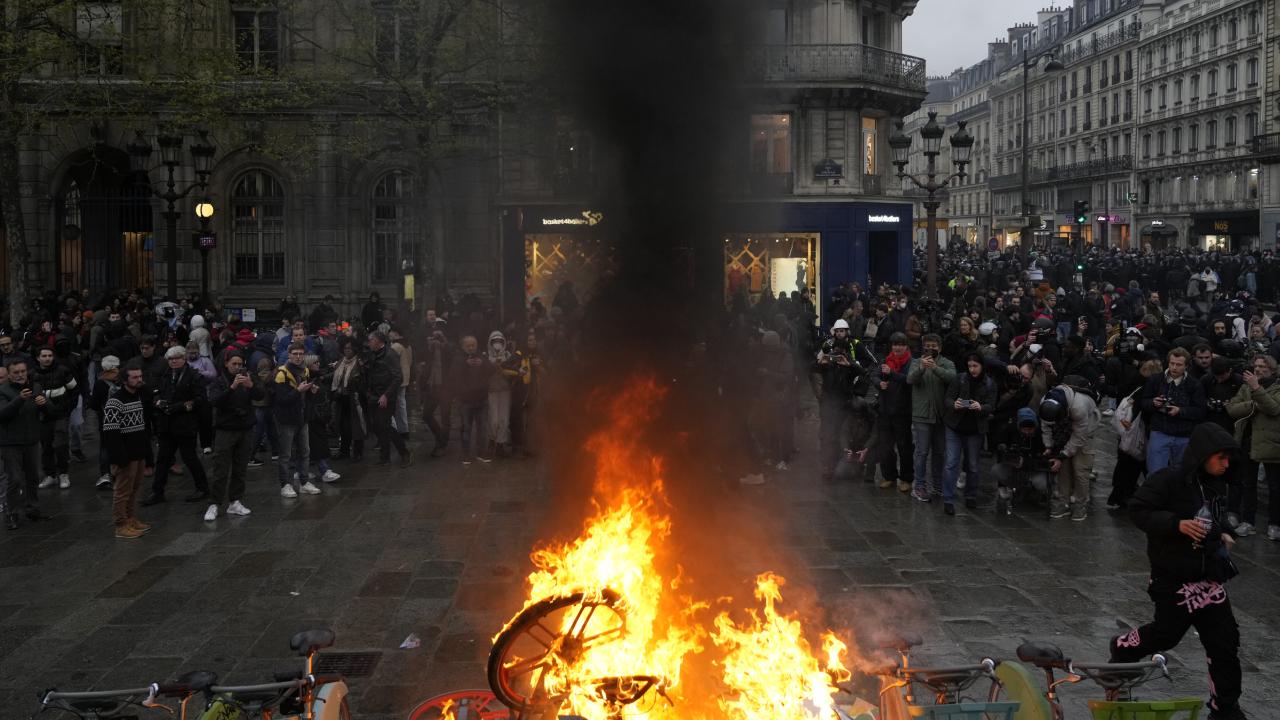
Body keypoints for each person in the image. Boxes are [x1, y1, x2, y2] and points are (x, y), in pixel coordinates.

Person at [1110, 423, 1246, 720]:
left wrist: (1222, 532)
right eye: (1220, 458)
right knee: (1165, 636)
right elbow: (1139, 510)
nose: (1225, 465)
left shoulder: (1215, 483)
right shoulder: (1168, 479)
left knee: (1225, 645)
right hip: (1172, 578)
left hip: (1209, 579)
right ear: (1203, 455)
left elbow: (1211, 517)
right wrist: (1177, 524)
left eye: (1228, 460)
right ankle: (1123, 646)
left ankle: (1225, 709)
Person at [141, 346, 211, 506]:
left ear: (184, 358)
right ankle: (157, 492)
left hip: (185, 423)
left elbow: (200, 399)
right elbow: (155, 392)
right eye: (171, 359)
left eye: (177, 358)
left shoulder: (193, 375)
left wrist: (179, 406)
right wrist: (158, 401)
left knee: (190, 457)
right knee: (163, 459)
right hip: (166, 424)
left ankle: (203, 488)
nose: (173, 361)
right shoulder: (165, 374)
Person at [1224, 354, 1280, 541]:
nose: (1257, 369)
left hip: (1272, 443)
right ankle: (1248, 521)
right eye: (1256, 365)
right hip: (1247, 441)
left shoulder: (1277, 387)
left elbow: (1274, 408)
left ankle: (1275, 524)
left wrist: (1257, 388)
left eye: (1262, 366)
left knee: (1275, 486)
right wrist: (1254, 404)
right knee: (1248, 483)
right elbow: (1232, 408)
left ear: (1271, 369)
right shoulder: (1246, 386)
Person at [812, 318, 875, 482]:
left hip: (845, 400)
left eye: (842, 331)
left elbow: (867, 369)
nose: (840, 334)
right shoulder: (827, 348)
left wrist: (851, 365)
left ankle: (849, 462)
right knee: (827, 434)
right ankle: (828, 465)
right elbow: (812, 369)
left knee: (845, 432)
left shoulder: (855, 348)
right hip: (829, 401)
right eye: (837, 331)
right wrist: (821, 363)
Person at [204, 349, 261, 522]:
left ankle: (235, 501)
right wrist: (232, 387)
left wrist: (251, 386)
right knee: (220, 468)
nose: (237, 367)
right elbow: (215, 401)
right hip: (226, 430)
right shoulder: (218, 382)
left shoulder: (248, 378)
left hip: (245, 428)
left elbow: (261, 395)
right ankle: (214, 503)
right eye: (234, 364)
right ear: (226, 363)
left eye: (239, 364)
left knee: (240, 468)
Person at [102, 361, 152, 539]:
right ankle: (120, 524)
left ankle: (131, 519)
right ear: (125, 380)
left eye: (140, 376)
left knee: (135, 488)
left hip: (138, 452)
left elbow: (143, 427)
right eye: (135, 377)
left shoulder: (138, 396)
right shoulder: (115, 401)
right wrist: (119, 457)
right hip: (125, 454)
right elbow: (111, 433)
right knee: (122, 491)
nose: (139, 380)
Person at [1039, 375, 1101, 520]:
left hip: (1086, 430)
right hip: (1064, 429)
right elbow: (1046, 426)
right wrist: (1049, 447)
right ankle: (1062, 503)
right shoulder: (1045, 403)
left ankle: (1080, 505)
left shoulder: (1079, 407)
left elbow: (1079, 436)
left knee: (1081, 470)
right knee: (1063, 470)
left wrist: (1063, 454)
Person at [941, 353, 995, 515]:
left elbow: (991, 405)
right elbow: (948, 399)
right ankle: (948, 499)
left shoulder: (990, 383)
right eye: (970, 366)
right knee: (951, 463)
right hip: (955, 426)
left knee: (972, 465)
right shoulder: (960, 379)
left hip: (975, 429)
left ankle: (970, 495)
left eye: (975, 366)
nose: (972, 369)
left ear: (982, 366)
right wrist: (954, 404)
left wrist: (981, 407)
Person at [1140, 347, 1208, 474]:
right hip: (1159, 431)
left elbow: (1200, 411)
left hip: (1184, 435)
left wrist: (1180, 411)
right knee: (1155, 473)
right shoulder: (1155, 380)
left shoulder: (1194, 384)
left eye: (1179, 365)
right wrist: (1153, 403)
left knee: (1181, 474)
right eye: (1172, 363)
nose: (1174, 367)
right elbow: (1144, 402)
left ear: (1186, 366)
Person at [0, 359, 49, 529]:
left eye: (23, 371)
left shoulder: (35, 387)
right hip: (9, 443)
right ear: (9, 374)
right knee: (14, 479)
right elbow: (2, 414)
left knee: (33, 477)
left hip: (31, 441)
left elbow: (48, 411)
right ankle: (12, 514)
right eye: (16, 372)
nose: (20, 375)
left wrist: (45, 404)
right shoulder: (2, 390)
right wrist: (19, 399)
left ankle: (32, 508)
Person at [907, 334, 956, 502]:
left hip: (941, 416)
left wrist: (934, 368)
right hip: (921, 415)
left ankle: (938, 485)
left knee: (939, 453)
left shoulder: (947, 363)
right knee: (921, 452)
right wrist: (922, 367)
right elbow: (910, 379)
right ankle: (919, 486)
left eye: (934, 345)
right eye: (927, 345)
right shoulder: (916, 362)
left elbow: (952, 378)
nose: (930, 348)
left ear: (940, 348)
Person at [273, 342, 321, 497]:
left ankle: (304, 481)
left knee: (305, 451)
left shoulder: (305, 370)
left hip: (302, 417)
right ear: (289, 355)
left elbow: (304, 397)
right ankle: (285, 484)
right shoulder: (282, 373)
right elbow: (281, 399)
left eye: (301, 354)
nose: (298, 357)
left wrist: (310, 391)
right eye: (295, 354)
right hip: (286, 419)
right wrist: (297, 391)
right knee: (286, 454)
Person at [872, 333, 914, 493]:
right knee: (885, 446)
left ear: (906, 346)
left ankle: (906, 478)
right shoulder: (885, 361)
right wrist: (879, 383)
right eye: (895, 344)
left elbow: (909, 379)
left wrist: (891, 374)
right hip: (885, 410)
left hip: (902, 412)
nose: (897, 348)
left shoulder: (911, 362)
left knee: (904, 447)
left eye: (901, 344)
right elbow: (874, 375)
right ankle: (889, 476)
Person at [31, 347, 77, 490]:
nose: (47, 358)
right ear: (38, 358)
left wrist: (67, 410)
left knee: (61, 445)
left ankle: (63, 473)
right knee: (46, 446)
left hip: (60, 415)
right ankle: (50, 475)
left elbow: (74, 391)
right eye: (44, 356)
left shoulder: (63, 371)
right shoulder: (32, 375)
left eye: (50, 355)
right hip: (42, 417)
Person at [365, 331, 412, 467]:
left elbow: (398, 377)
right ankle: (385, 457)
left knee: (385, 425)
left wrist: (386, 395)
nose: (369, 343)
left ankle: (404, 453)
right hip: (374, 394)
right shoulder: (373, 354)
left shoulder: (390, 355)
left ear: (379, 341)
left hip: (385, 395)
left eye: (371, 340)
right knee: (378, 426)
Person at [991, 407, 1049, 514]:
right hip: (1015, 469)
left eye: (1030, 429)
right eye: (1024, 429)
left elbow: (1046, 462)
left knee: (1041, 483)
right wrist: (1005, 451)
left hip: (1035, 469)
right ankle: (1017, 489)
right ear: (1019, 427)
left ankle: (1035, 492)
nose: (1027, 432)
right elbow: (997, 445)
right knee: (996, 470)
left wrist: (1025, 462)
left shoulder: (1042, 435)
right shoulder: (1010, 430)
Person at [450, 335, 495, 465]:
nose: (471, 348)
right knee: (466, 427)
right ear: (463, 346)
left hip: (481, 398)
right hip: (465, 400)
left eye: (473, 345)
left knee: (482, 427)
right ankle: (466, 454)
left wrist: (483, 364)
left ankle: (481, 452)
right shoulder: (458, 359)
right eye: (468, 345)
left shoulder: (482, 356)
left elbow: (492, 370)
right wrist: (465, 365)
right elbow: (453, 376)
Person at [88, 355, 122, 490]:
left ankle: (106, 474)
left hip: (106, 421)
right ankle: (121, 471)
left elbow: (94, 405)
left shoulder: (100, 383)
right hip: (124, 420)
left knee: (105, 447)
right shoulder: (123, 380)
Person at [331, 339, 365, 461]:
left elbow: (362, 381)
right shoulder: (341, 361)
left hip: (354, 399)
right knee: (343, 426)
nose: (347, 351)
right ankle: (344, 450)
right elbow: (335, 376)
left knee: (357, 426)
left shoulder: (359, 363)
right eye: (345, 348)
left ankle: (358, 452)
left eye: (349, 348)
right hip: (342, 399)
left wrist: (353, 384)